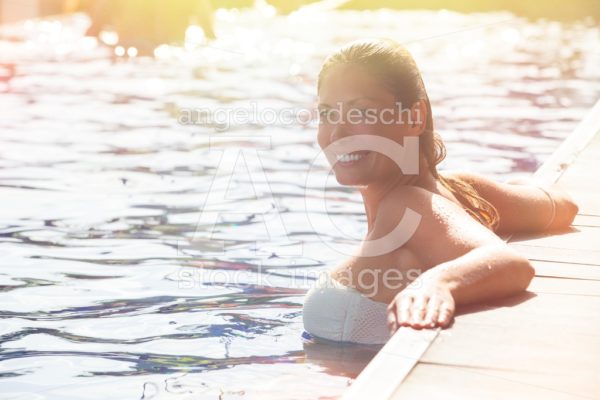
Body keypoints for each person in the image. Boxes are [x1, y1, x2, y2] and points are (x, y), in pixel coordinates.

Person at [302, 38, 579, 344]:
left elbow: (511, 264)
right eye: (327, 113)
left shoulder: (406, 205)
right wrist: (514, 187)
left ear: (414, 117)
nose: (337, 133)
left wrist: (437, 282)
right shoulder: (462, 190)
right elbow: (563, 207)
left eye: (362, 112)